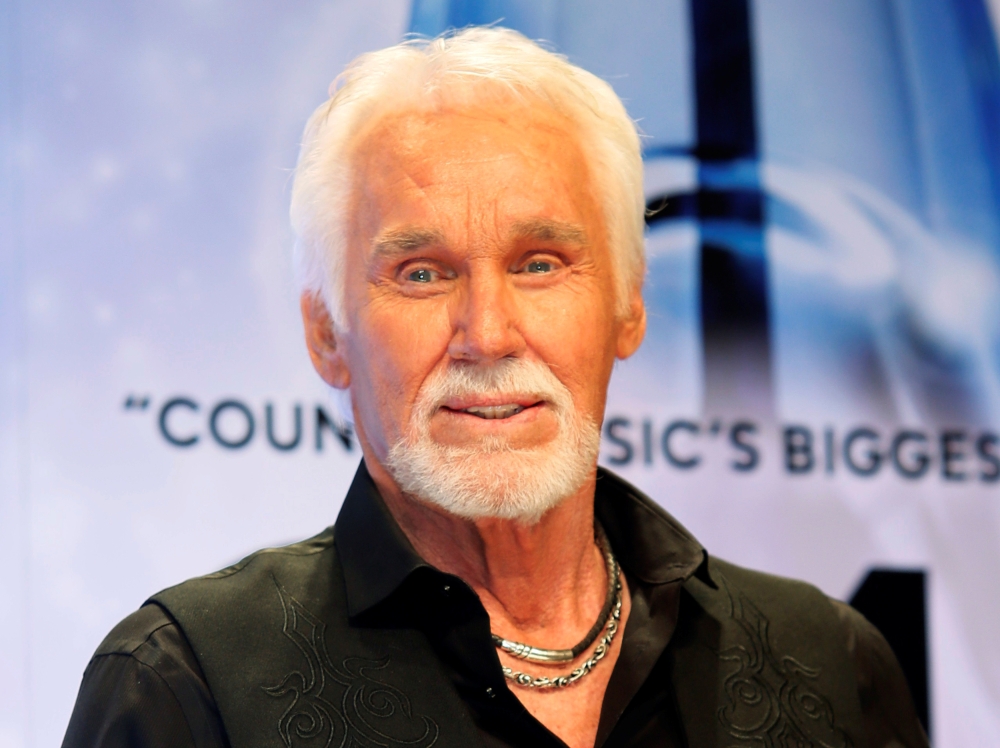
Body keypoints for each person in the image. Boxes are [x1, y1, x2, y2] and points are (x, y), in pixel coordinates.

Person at [63, 27, 929, 748]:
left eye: (541, 263)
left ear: (627, 307)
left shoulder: (828, 666)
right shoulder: (185, 688)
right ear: (327, 335)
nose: (488, 332)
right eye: (422, 273)